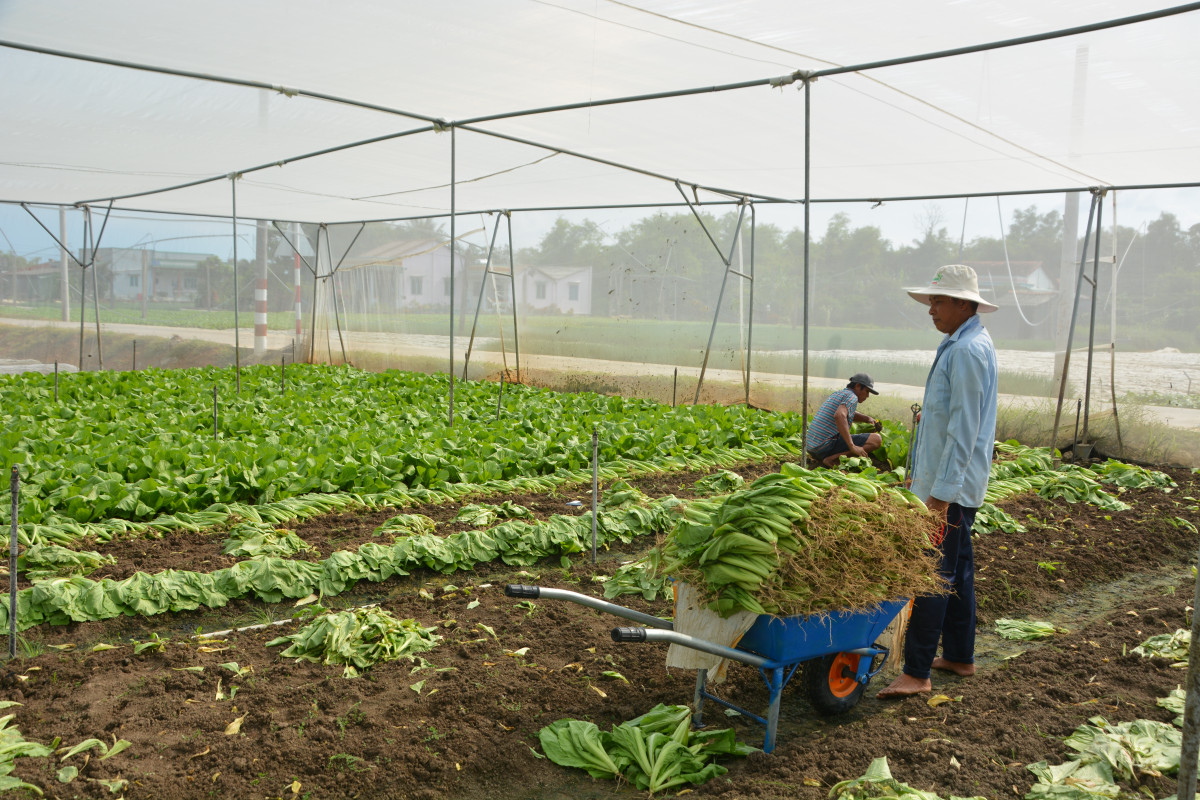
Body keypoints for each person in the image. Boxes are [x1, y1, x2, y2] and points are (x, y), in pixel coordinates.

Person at [877, 264, 999, 699]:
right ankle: (961, 656)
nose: (931, 309)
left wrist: (940, 496)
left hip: (946, 491)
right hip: (953, 487)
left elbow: (964, 430)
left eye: (938, 301)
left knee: (931, 573)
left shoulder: (966, 351)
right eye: (931, 301)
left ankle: (917, 671)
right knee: (957, 572)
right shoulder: (964, 343)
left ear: (964, 303)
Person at [806, 373, 884, 468]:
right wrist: (852, 446)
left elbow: (846, 412)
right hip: (824, 447)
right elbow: (839, 415)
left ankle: (827, 457)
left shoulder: (839, 394)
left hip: (812, 447)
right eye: (867, 391)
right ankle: (832, 459)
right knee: (876, 440)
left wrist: (867, 419)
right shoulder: (852, 397)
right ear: (858, 386)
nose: (867, 396)